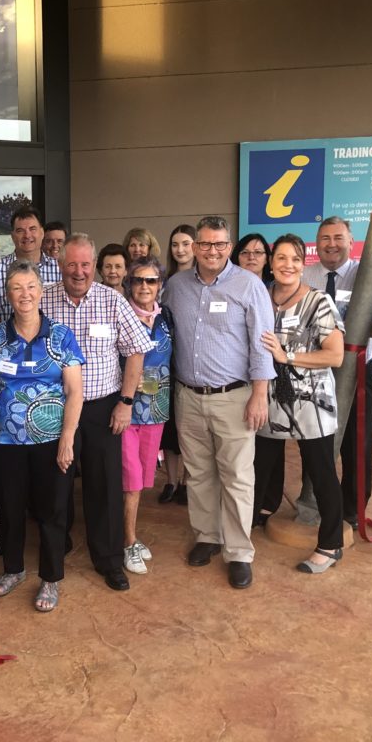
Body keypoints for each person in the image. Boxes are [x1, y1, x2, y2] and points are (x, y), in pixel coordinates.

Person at [161, 216, 275, 590]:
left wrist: (260, 393)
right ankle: (207, 536)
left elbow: (262, 345)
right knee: (199, 472)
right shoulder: (175, 286)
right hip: (188, 396)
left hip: (235, 396)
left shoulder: (249, 285)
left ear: (229, 247)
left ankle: (239, 551)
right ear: (194, 248)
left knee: (238, 476)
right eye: (205, 244)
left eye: (220, 245)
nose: (213, 251)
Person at [41, 234, 153, 591]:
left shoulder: (112, 300)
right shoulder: (43, 298)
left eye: (85, 265)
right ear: (60, 265)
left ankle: (108, 560)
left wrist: (125, 401)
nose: (79, 272)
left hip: (104, 407)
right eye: (71, 264)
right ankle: (54, 557)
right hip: (55, 409)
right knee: (56, 485)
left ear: (94, 266)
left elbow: (136, 350)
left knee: (104, 485)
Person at [0, 261, 85, 612]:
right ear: (8, 294)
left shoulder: (60, 336)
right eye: (16, 287)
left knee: (52, 511)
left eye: (31, 287)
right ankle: (14, 569)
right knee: (10, 509)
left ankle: (51, 577)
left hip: (51, 441)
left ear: (41, 292)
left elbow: (75, 392)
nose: (24, 294)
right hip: (4, 442)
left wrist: (67, 439)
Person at [252, 235, 345, 574]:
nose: (286, 264)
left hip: (312, 403)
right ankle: (250, 521)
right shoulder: (261, 297)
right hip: (268, 399)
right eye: (280, 258)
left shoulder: (318, 301)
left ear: (303, 263)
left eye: (294, 258)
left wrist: (286, 355)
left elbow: (334, 355)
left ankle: (331, 544)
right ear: (270, 261)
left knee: (321, 473)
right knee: (259, 465)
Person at [302, 216, 369, 526]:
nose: (331, 244)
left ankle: (353, 510)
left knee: (356, 445)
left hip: (356, 374)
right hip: (314, 373)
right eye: (325, 238)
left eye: (338, 237)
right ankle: (312, 502)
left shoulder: (367, 272)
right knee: (315, 440)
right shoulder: (305, 274)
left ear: (350, 242)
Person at [121, 258, 172, 575]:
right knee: (131, 480)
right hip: (126, 411)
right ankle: (127, 542)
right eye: (138, 280)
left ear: (160, 285)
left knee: (143, 481)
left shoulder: (166, 318)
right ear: (129, 284)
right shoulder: (120, 316)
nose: (144, 286)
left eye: (151, 281)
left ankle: (130, 535)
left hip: (157, 410)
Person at [160, 224, 197, 504]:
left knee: (189, 429)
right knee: (170, 426)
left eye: (186, 243)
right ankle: (171, 481)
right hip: (168, 364)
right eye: (175, 244)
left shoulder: (205, 279)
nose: (180, 249)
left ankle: (187, 482)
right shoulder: (165, 281)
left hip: (194, 365)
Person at [0, 206, 62, 328]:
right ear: (12, 236)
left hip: (52, 343)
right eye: (20, 231)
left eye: (32, 229)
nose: (27, 235)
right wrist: (9, 340)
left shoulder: (59, 269)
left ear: (42, 233)